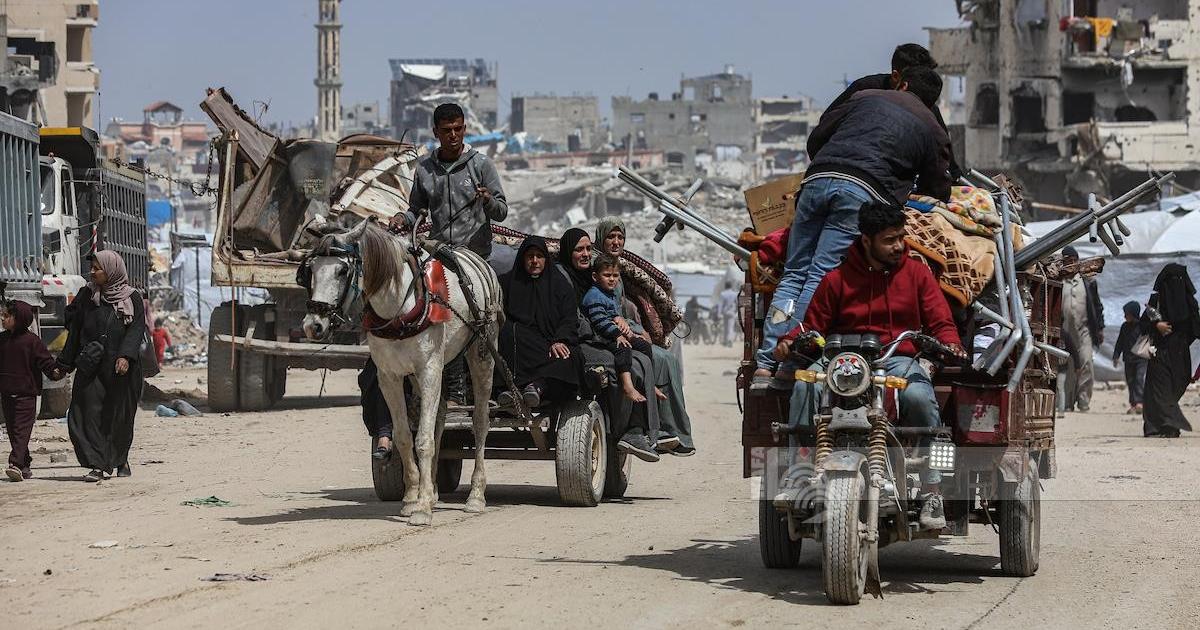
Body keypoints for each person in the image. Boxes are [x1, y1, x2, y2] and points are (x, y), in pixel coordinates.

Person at [754, 65, 951, 387]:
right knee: (820, 274)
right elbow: (938, 186)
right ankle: (792, 362)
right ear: (931, 102)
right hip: (860, 191)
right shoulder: (931, 126)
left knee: (794, 272)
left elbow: (817, 137)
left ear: (902, 84)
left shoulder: (865, 96)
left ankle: (765, 364)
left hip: (816, 180)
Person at [777, 203, 966, 530]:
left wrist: (950, 343)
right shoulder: (836, 279)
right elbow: (813, 324)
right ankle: (799, 476)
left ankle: (932, 490)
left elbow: (941, 323)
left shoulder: (918, 275)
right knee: (804, 387)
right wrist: (790, 341)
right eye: (889, 240)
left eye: (901, 237)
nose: (899, 246)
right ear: (866, 240)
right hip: (841, 360)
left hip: (896, 358)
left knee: (920, 398)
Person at [558, 228, 662, 460]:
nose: (586, 254)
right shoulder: (563, 279)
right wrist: (613, 333)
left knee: (642, 356)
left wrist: (621, 322)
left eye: (588, 249)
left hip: (601, 335)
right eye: (579, 249)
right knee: (624, 363)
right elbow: (578, 319)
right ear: (568, 251)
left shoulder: (593, 280)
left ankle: (643, 427)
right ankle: (625, 429)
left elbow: (610, 310)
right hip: (582, 340)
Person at [595, 218, 695, 456]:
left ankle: (674, 432)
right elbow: (607, 312)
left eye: (620, 237)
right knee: (661, 360)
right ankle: (659, 430)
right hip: (611, 336)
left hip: (626, 332)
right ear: (601, 238)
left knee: (668, 360)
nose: (616, 242)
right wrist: (635, 330)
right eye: (611, 237)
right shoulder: (599, 269)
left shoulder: (616, 270)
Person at [56, 251, 147, 482]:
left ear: (112, 271)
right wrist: (64, 364)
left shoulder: (132, 297)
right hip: (91, 365)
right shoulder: (86, 295)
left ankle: (120, 459)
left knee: (119, 416)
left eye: (98, 268)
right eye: (93, 268)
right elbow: (75, 331)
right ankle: (97, 464)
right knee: (85, 413)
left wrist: (125, 356)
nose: (93, 272)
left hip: (121, 370)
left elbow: (136, 329)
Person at [825, 43, 963, 181]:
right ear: (897, 78)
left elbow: (944, 155)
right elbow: (826, 126)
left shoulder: (927, 106)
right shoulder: (865, 90)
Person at [582, 254, 663, 462]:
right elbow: (599, 321)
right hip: (601, 337)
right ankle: (627, 385)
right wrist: (618, 335)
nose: (612, 279)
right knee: (624, 350)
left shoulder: (609, 294)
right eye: (607, 275)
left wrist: (629, 332)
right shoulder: (594, 296)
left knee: (644, 346)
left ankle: (650, 382)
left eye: (615, 276)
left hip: (615, 333)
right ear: (595, 276)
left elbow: (614, 316)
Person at [497, 237, 580, 410]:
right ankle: (513, 389)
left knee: (568, 358)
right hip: (520, 344)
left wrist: (560, 340)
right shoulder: (507, 283)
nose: (535, 261)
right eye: (530, 256)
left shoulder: (560, 285)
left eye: (539, 256)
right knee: (509, 333)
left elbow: (569, 319)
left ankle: (537, 386)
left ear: (546, 259)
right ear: (522, 258)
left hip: (552, 343)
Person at [0, 300, 66, 481]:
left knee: (21, 431)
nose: (3, 319)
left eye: (7, 316)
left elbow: (45, 362)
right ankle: (24, 464)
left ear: (19, 318)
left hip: (26, 395)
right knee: (13, 432)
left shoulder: (32, 342)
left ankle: (14, 463)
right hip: (7, 394)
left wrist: (56, 372)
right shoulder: (2, 340)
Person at [1141, 264, 1199, 438]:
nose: (1175, 284)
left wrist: (1183, 337)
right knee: (1160, 390)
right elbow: (1143, 324)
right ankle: (1162, 426)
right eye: (1171, 280)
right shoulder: (1157, 300)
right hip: (1160, 352)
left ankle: (1167, 424)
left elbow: (1196, 329)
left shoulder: (1190, 303)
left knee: (1175, 388)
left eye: (1179, 280)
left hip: (1180, 354)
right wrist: (1156, 325)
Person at [1056, 246, 1104, 413]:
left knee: (1086, 363)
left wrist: (1100, 328)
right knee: (1067, 366)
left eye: (1073, 261)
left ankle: (1083, 401)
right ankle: (1067, 403)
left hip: (1084, 331)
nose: (1070, 264)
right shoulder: (1058, 281)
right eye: (1067, 261)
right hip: (1064, 333)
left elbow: (1097, 306)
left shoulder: (1088, 282)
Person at [1112, 300, 1147, 415]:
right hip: (1128, 359)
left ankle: (1140, 402)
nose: (1125, 316)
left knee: (1139, 379)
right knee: (1130, 381)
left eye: (1127, 314)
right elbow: (1120, 342)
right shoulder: (1124, 327)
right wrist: (1116, 355)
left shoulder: (1142, 326)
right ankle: (1133, 404)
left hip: (1141, 359)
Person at [718, 282, 738, 347]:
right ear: (731, 286)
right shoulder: (734, 294)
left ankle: (725, 341)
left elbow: (720, 305)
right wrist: (736, 312)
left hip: (725, 313)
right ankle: (730, 340)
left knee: (725, 327)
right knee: (731, 327)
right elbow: (737, 304)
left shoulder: (722, 294)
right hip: (732, 312)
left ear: (725, 286)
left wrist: (719, 313)